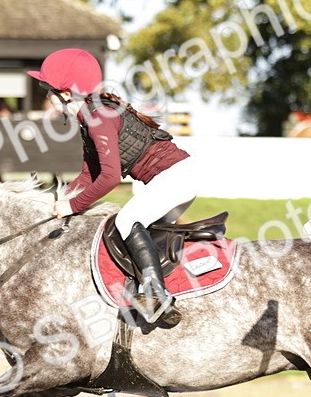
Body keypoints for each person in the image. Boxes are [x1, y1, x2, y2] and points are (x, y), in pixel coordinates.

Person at [28, 48, 193, 326]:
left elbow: (110, 177)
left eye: (48, 90)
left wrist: (72, 205)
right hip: (176, 177)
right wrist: (60, 200)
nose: (46, 96)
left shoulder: (99, 116)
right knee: (144, 237)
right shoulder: (89, 116)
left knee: (127, 221)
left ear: (66, 94)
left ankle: (156, 295)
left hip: (175, 177)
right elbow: (89, 174)